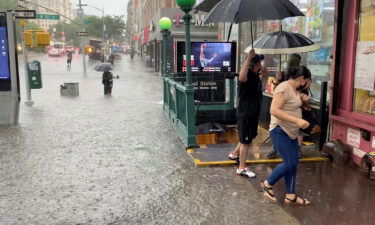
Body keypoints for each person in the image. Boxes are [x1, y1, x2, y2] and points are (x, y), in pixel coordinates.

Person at [261, 66, 311, 205]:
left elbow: (292, 102)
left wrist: (302, 99)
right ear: (302, 79)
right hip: (280, 130)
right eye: (308, 81)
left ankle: (290, 195)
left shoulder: (295, 89)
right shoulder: (283, 87)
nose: (308, 84)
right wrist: (297, 120)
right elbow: (274, 110)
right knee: (290, 162)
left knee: (293, 164)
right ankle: (267, 183)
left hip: (291, 132)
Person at [227, 49, 267, 178]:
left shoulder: (255, 76)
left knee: (247, 137)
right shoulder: (247, 73)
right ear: (254, 64)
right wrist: (248, 58)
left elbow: (255, 89)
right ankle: (241, 168)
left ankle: (234, 154)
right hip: (246, 113)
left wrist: (262, 77)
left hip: (252, 113)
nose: (261, 65)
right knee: (246, 141)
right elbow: (242, 77)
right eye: (260, 63)